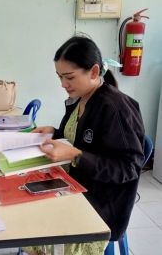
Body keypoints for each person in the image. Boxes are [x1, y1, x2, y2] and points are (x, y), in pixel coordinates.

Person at [23, 36, 145, 255]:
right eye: (60, 77)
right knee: (24, 209)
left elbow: (129, 168)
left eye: (69, 77)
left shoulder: (115, 108)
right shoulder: (80, 98)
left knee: (36, 229)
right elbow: (82, 140)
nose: (63, 84)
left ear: (94, 71)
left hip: (101, 205)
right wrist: (55, 132)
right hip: (74, 185)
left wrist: (77, 156)